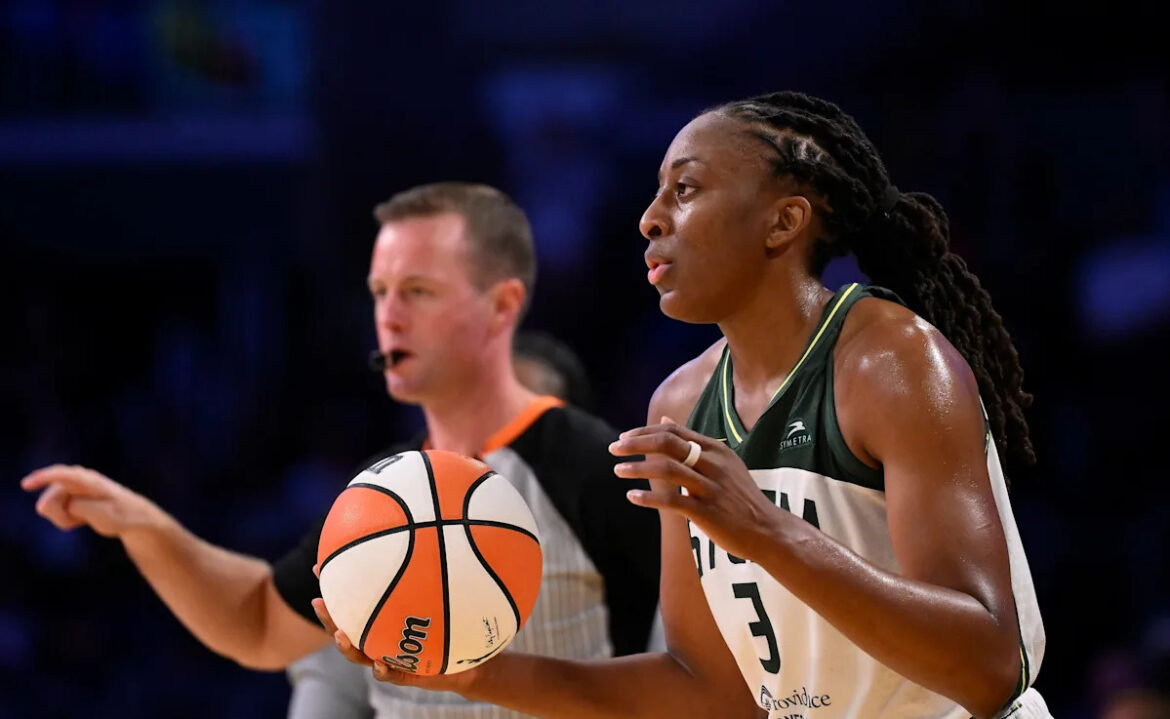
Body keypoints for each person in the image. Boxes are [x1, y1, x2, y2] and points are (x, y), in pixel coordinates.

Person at [315, 91, 1052, 719]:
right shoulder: (680, 402)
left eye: (686, 189)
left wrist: (765, 531)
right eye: (656, 192)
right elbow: (708, 690)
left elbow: (989, 666)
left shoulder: (890, 362)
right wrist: (474, 675)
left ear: (783, 222)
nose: (650, 218)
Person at [22, 182, 661, 718]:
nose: (389, 316)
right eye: (380, 292)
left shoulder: (599, 471)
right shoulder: (384, 490)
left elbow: (694, 685)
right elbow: (259, 623)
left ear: (501, 306)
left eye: (418, 291)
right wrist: (145, 528)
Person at [285, 327, 605, 719]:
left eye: (523, 428)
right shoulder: (370, 576)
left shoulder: (624, 556)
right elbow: (319, 686)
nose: (499, 449)